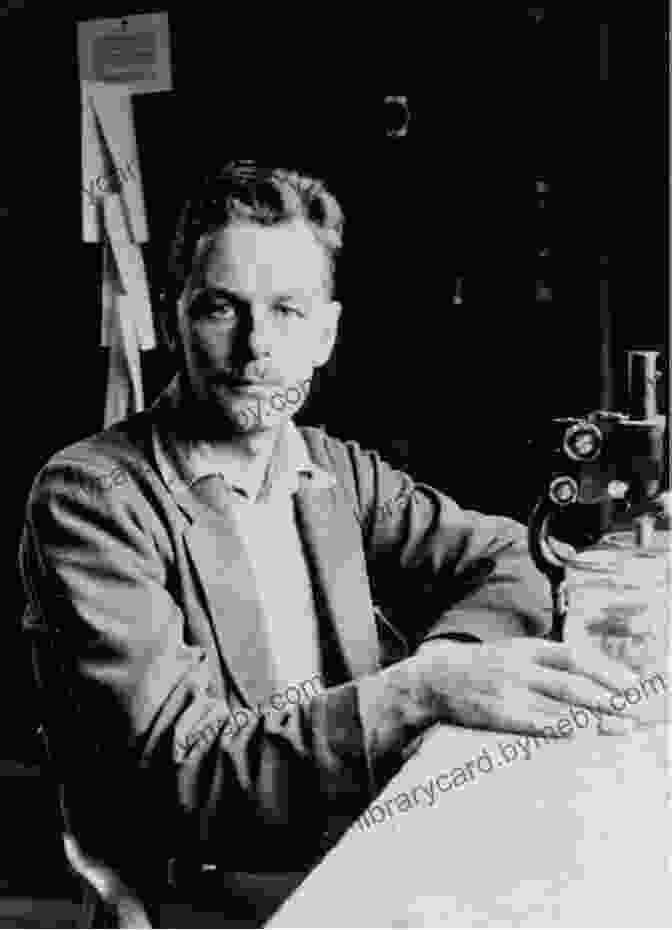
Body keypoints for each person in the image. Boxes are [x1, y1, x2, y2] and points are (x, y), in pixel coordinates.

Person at [19, 161, 640, 926]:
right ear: (175, 315)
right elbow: (186, 775)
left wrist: (445, 659)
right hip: (213, 888)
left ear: (326, 333)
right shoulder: (93, 496)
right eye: (222, 309)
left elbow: (508, 558)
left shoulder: (332, 470)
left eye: (287, 310)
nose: (255, 348)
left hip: (365, 827)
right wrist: (419, 691)